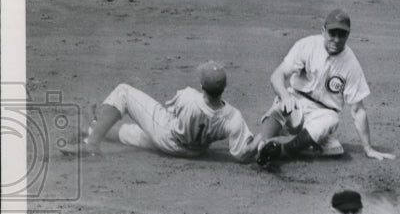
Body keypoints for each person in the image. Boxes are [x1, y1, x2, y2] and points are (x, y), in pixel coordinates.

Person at [256, 8, 395, 165]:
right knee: (281, 104)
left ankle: (283, 151)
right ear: (323, 31)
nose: (336, 39)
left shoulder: (351, 65)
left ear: (347, 35)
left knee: (332, 128)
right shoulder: (307, 46)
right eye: (332, 33)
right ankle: (264, 143)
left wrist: (368, 148)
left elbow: (358, 109)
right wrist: (285, 95)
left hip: (322, 113)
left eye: (341, 34)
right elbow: (277, 76)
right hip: (296, 100)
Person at [61, 61, 259, 161]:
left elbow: (171, 111)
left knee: (123, 92)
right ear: (224, 88)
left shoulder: (188, 97)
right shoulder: (234, 117)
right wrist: (262, 143)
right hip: (195, 152)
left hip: (168, 138)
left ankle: (92, 144)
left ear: (202, 85)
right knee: (134, 133)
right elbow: (243, 154)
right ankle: (92, 129)